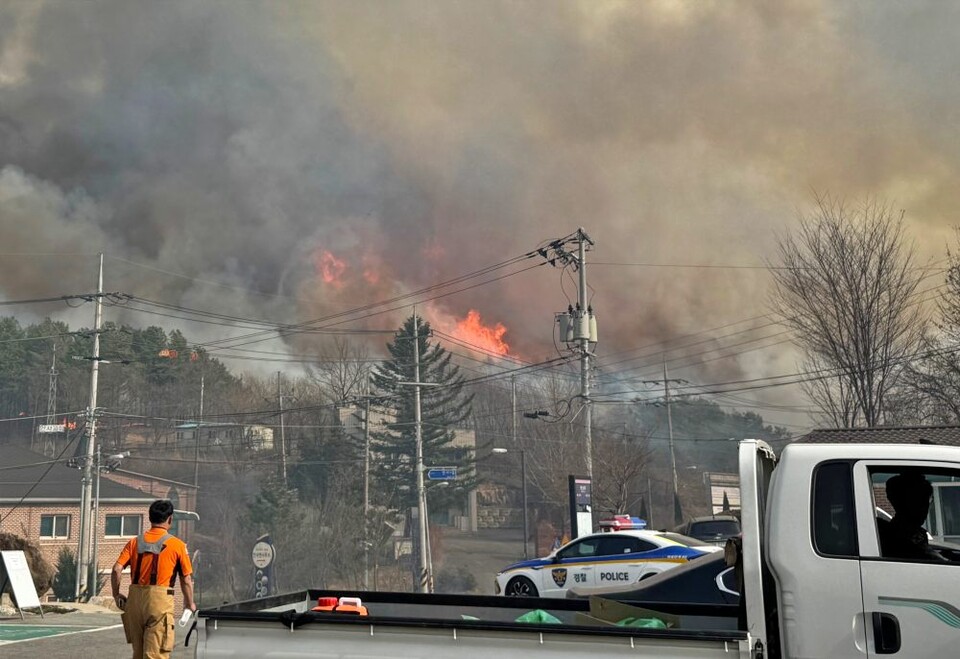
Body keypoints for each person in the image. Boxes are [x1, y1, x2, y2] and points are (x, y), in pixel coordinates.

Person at [111, 499, 196, 659]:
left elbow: (116, 569)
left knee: (138, 653)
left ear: (150, 518)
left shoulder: (134, 542)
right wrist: (189, 603)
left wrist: (116, 594)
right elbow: (186, 579)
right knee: (155, 655)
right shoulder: (177, 545)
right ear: (170, 519)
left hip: (135, 602)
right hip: (159, 603)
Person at [877, 472, 940, 561]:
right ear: (900, 503)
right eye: (919, 502)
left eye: (928, 501)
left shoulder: (917, 534)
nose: (925, 508)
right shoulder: (897, 540)